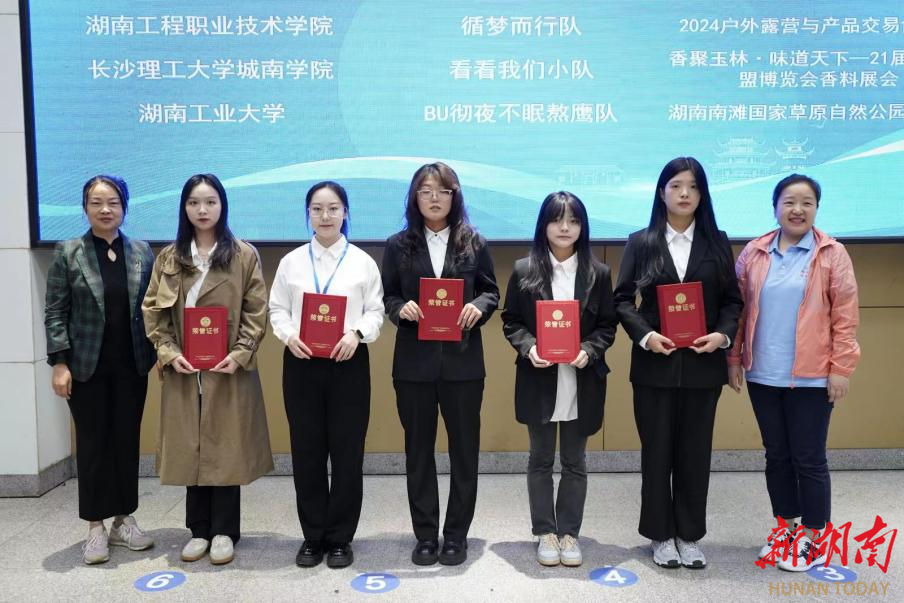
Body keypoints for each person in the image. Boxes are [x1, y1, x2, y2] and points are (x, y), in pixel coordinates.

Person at [614, 157, 743, 569]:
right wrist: (646, 336)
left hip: (703, 367)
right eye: (676, 185)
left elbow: (733, 301)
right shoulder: (641, 241)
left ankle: (689, 535)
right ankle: (659, 534)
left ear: (702, 194)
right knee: (657, 453)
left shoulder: (717, 241)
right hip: (654, 366)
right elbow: (622, 300)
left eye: (693, 186)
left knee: (694, 454)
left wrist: (722, 336)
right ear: (661, 192)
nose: (684, 193)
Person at [728, 174, 860, 572]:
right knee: (777, 455)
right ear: (775, 207)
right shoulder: (754, 252)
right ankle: (786, 530)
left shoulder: (832, 254)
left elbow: (845, 317)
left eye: (807, 203)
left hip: (813, 376)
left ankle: (816, 539)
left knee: (809, 457)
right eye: (789, 202)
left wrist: (841, 368)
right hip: (763, 373)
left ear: (817, 208)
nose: (797, 210)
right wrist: (734, 359)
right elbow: (737, 311)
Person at [142, 173, 272, 565]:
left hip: (227, 369)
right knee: (191, 445)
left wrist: (241, 352)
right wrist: (168, 352)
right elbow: (153, 311)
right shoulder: (169, 257)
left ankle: (225, 531)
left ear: (222, 206)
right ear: (184, 207)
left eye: (210, 202)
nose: (203, 210)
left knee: (225, 446)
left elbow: (256, 311)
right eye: (194, 202)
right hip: (184, 370)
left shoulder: (243, 255)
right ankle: (198, 530)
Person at [382, 161, 499, 566]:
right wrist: (401, 308)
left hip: (462, 365)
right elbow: (388, 296)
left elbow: (491, 292)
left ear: (455, 196)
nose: (435, 198)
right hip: (413, 365)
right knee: (418, 451)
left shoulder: (474, 242)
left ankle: (456, 536)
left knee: (464, 451)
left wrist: (478, 307)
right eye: (426, 191)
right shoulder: (398, 245)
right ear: (415, 197)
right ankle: (426, 535)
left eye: (443, 191)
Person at [269, 181, 384, 569]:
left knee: (348, 453)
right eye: (317, 209)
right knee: (307, 452)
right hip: (301, 363)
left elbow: (376, 311)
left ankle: (340, 538)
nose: (325, 216)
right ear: (308, 214)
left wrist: (357, 334)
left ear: (345, 212)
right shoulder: (291, 262)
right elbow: (277, 309)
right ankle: (313, 536)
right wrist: (289, 335)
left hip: (348, 364)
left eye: (333, 208)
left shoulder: (362, 262)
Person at [44, 175, 156, 565]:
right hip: (85, 367)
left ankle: (124, 520)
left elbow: (153, 309)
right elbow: (55, 311)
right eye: (96, 202)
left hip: (132, 365)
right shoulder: (69, 252)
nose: (105, 209)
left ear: (124, 207)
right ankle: (95, 526)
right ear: (85, 207)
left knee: (126, 441)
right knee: (93, 445)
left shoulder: (141, 251)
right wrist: (60, 362)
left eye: (113, 202)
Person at [501, 192, 617, 567]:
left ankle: (569, 533)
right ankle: (545, 532)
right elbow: (511, 321)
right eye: (556, 220)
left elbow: (607, 326)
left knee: (574, 461)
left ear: (583, 227)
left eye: (573, 220)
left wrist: (590, 349)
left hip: (581, 381)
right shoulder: (524, 270)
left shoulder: (598, 273)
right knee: (539, 459)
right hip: (539, 380)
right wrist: (529, 347)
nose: (565, 227)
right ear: (544, 225)